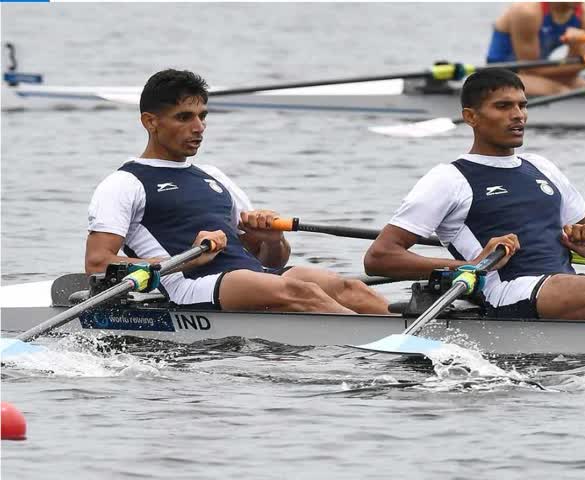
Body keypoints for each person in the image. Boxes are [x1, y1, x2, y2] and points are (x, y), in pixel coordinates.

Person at [364, 68, 585, 324]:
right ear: (471, 117)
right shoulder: (449, 178)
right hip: (509, 290)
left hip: (562, 281)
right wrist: (469, 265)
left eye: (523, 105)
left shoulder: (541, 166)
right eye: (504, 107)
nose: (518, 115)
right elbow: (380, 257)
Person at [85, 69, 389, 315]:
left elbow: (270, 259)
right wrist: (187, 260)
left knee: (346, 287)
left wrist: (272, 239)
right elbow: (98, 263)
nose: (199, 126)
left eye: (202, 116)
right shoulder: (124, 183)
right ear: (150, 122)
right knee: (302, 292)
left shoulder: (213, 176)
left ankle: (411, 333)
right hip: (189, 285)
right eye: (184, 117)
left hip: (250, 276)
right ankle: (380, 345)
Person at [485, 2, 585, 95]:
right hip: (502, 74)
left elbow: (573, 68)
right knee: (562, 92)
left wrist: (577, 47)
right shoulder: (527, 13)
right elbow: (529, 70)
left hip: (539, 71)